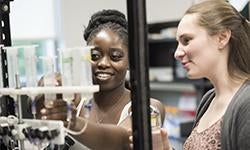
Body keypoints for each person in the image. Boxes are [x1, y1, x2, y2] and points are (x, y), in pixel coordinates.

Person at [40, 9, 165, 150]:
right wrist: (46, 87)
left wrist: (73, 122)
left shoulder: (148, 108)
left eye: (115, 56)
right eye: (94, 56)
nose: (103, 63)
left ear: (131, 62)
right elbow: (38, 109)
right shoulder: (75, 101)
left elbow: (123, 139)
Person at [160, 0, 250, 150]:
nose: (177, 53)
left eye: (186, 40)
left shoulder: (246, 104)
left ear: (222, 38)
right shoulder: (209, 99)